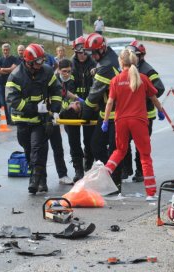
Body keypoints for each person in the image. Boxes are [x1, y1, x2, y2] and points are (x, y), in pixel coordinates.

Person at [102, 49, 164, 201]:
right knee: (145, 156)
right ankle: (150, 193)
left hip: (121, 121)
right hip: (139, 121)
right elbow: (154, 98)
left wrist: (105, 121)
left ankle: (101, 179)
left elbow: (110, 102)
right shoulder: (142, 78)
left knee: (119, 151)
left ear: (121, 62)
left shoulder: (116, 80)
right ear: (135, 61)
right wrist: (161, 111)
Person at [7, 43, 62, 194]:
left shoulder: (46, 71)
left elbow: (56, 89)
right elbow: (12, 99)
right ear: (28, 62)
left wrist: (56, 109)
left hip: (40, 120)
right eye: (38, 61)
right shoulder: (16, 75)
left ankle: (36, 180)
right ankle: (40, 178)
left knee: (38, 149)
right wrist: (34, 108)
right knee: (29, 150)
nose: (41, 64)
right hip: (23, 120)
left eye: (42, 60)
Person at [81, 33, 122, 193]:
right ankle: (108, 177)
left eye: (93, 53)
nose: (92, 56)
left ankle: (114, 183)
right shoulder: (109, 59)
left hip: (115, 115)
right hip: (106, 114)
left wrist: (84, 114)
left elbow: (93, 97)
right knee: (96, 145)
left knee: (112, 149)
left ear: (101, 49)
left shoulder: (106, 66)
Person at [123, 40, 166, 181]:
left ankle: (140, 172)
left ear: (140, 56)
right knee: (125, 143)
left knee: (141, 145)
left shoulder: (148, 71)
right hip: (129, 114)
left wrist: (144, 98)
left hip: (146, 114)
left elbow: (159, 88)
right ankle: (126, 169)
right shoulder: (126, 69)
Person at [69, 36, 97, 179]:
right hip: (73, 108)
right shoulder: (69, 65)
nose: (82, 54)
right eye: (80, 52)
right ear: (75, 51)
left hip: (90, 107)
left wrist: (89, 103)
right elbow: (66, 86)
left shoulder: (95, 64)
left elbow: (97, 86)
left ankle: (89, 162)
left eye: (85, 51)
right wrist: (75, 101)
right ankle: (78, 170)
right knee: (74, 142)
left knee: (89, 140)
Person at [54, 59, 82, 184]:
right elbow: (61, 92)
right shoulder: (54, 79)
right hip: (56, 114)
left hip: (72, 114)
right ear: (59, 70)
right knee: (57, 146)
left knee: (74, 142)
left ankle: (79, 170)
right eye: (64, 71)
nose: (66, 74)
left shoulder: (74, 79)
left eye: (69, 71)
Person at [0, 43, 18, 124]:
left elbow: (13, 69)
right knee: (2, 102)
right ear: (2, 51)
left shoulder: (14, 59)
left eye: (7, 50)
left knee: (10, 101)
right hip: (1, 83)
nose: (5, 51)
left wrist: (2, 69)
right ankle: (5, 119)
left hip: (10, 83)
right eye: (4, 50)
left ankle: (11, 119)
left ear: (9, 50)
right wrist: (8, 70)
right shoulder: (0, 59)